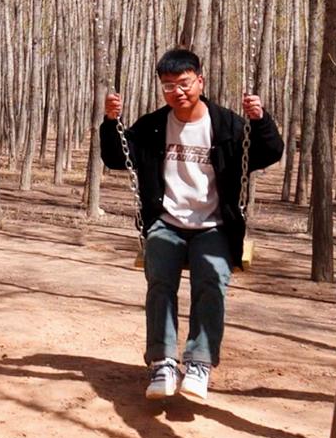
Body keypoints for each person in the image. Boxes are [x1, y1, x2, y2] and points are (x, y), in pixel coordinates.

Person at [99, 48, 283, 402]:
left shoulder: (227, 125)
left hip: (214, 226)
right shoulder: (153, 126)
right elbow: (117, 156)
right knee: (160, 282)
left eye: (184, 83)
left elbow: (270, 152)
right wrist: (111, 122)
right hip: (166, 223)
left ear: (200, 81)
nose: (177, 92)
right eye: (169, 86)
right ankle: (163, 362)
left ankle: (199, 363)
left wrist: (260, 120)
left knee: (210, 282)